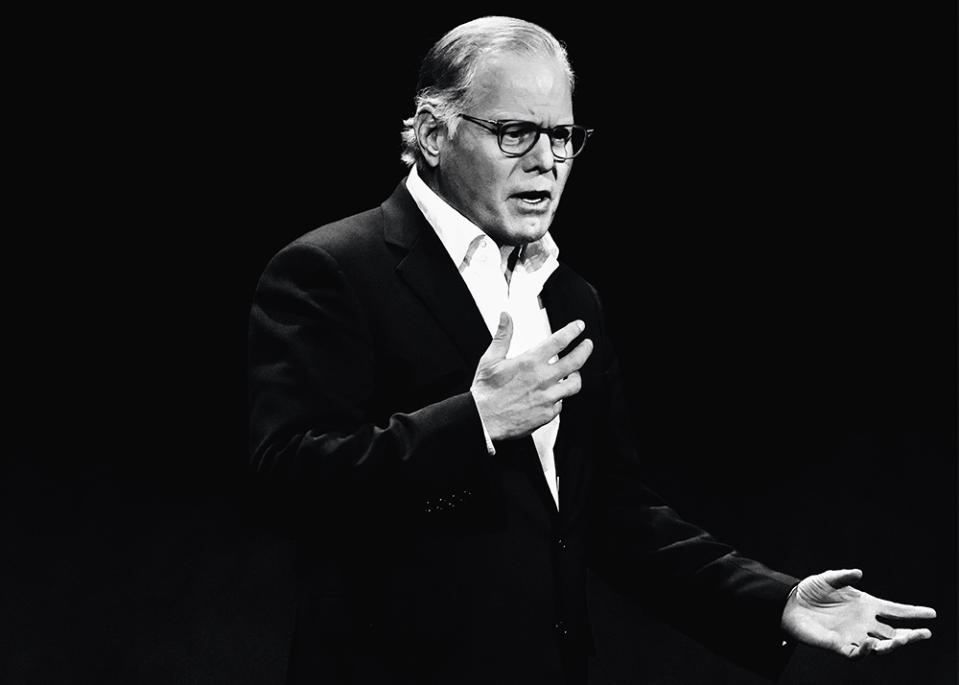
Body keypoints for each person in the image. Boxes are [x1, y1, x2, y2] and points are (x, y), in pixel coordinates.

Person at [247, 16, 936, 685]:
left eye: (562, 134)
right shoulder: (330, 268)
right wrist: (475, 422)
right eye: (515, 132)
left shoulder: (570, 297)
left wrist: (774, 600)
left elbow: (612, 510)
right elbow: (287, 483)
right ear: (432, 133)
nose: (545, 160)